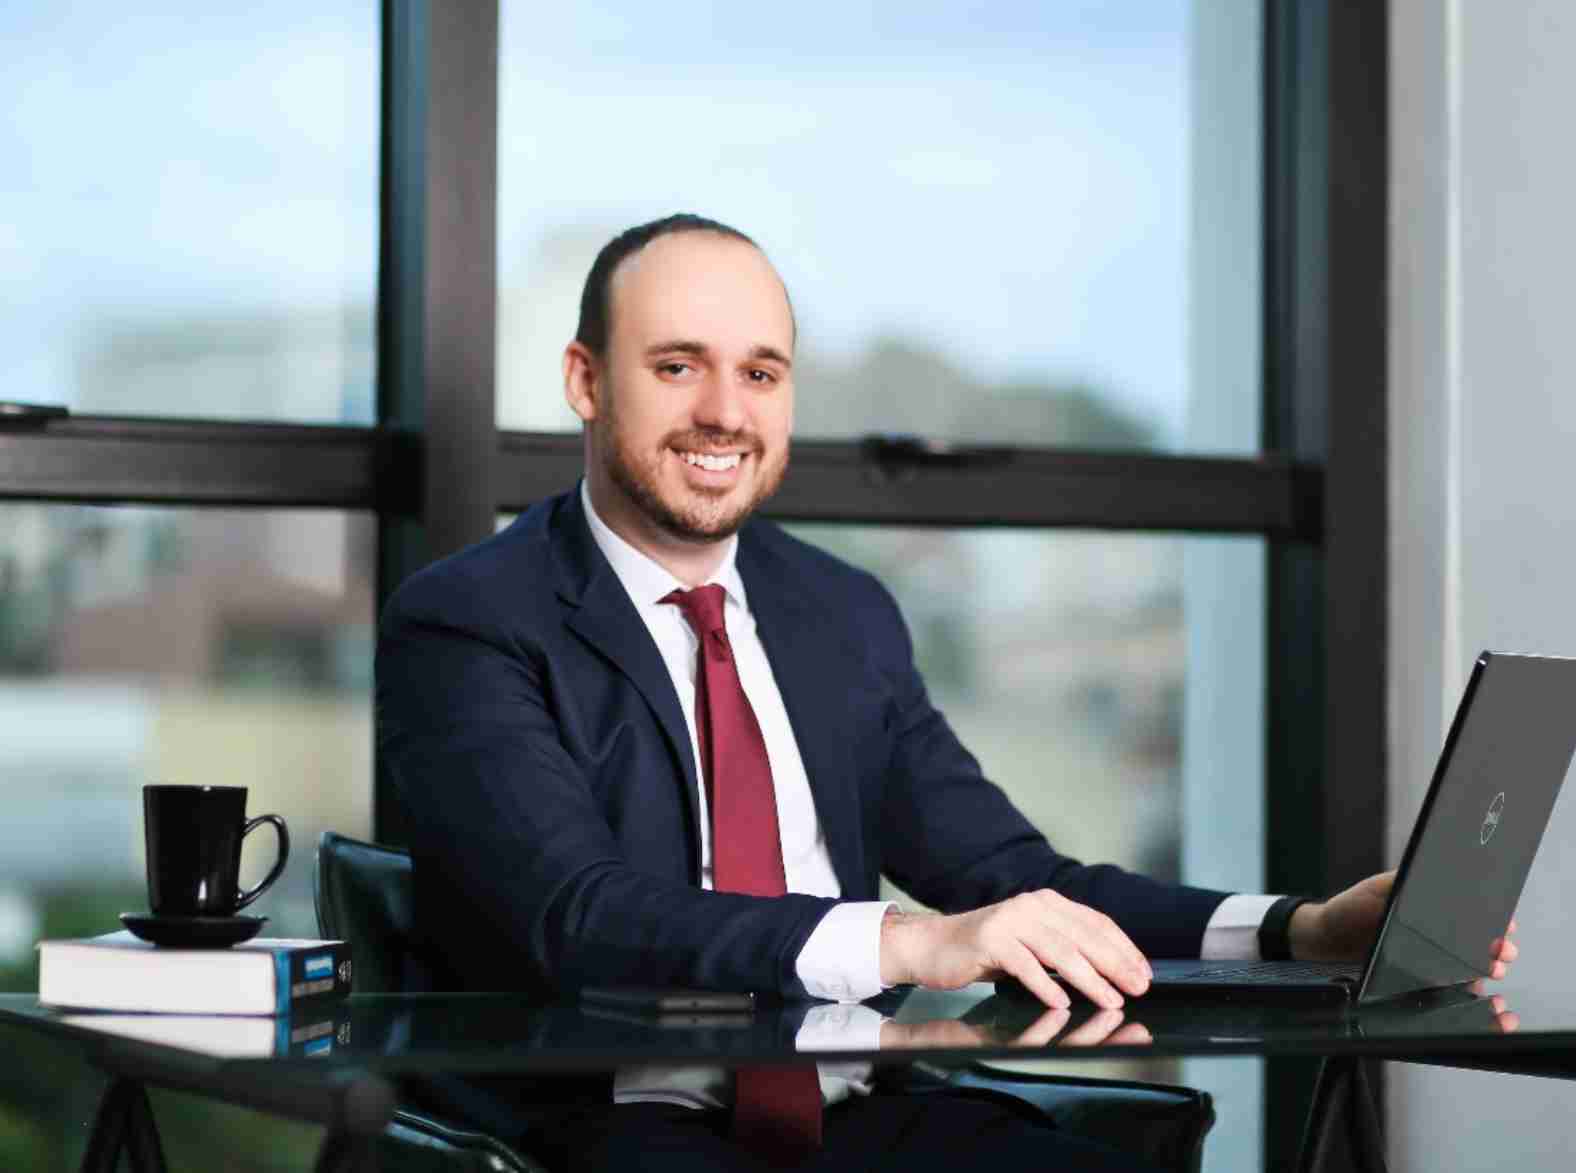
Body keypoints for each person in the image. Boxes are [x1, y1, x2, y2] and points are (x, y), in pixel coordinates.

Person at [376, 214, 1518, 1172]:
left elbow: (1013, 880)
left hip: (861, 1111)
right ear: (585, 380)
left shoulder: (840, 611)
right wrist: (911, 944)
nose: (725, 410)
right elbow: (578, 917)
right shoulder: (468, 621)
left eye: (760, 373)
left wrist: (1296, 929)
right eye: (677, 366)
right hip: (610, 1123)